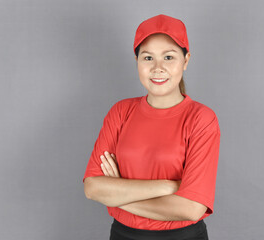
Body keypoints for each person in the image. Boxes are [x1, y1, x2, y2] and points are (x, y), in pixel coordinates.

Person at [83, 14, 221, 240]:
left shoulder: (201, 119)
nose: (158, 67)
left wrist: (117, 195)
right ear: (137, 61)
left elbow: (191, 208)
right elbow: (92, 188)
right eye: (148, 58)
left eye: (169, 57)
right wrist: (169, 187)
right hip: (122, 235)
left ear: (186, 60)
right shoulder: (120, 112)